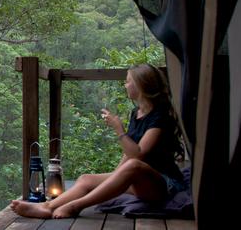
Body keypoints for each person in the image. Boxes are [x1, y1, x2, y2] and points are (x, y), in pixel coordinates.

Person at [10, 63, 185, 219]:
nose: (125, 84)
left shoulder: (160, 117)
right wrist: (116, 176)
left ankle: (75, 206)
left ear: (140, 85)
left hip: (164, 185)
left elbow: (138, 155)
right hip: (139, 181)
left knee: (133, 166)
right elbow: (128, 154)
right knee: (86, 179)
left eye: (128, 81)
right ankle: (47, 206)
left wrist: (119, 129)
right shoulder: (136, 113)